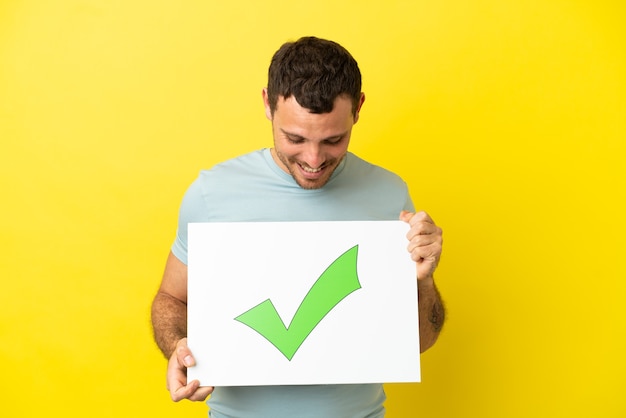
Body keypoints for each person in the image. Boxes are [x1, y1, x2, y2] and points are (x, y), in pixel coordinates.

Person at [151, 36, 445, 417]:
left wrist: (423, 280)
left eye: (333, 140)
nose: (313, 159)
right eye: (295, 138)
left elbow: (419, 342)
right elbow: (172, 299)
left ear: (358, 109)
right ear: (267, 105)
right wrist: (178, 346)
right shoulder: (211, 193)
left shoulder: (389, 194)